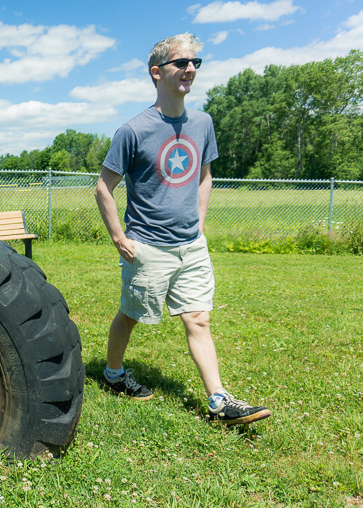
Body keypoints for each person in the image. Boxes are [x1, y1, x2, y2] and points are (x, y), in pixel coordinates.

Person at [94, 33, 270, 425]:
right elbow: (103, 187)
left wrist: (199, 225)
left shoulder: (203, 123)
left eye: (195, 62)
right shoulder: (133, 130)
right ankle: (113, 374)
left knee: (198, 319)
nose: (190, 69)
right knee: (131, 314)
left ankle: (219, 400)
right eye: (181, 63)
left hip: (192, 246)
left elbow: (205, 177)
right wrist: (119, 238)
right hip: (148, 247)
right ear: (157, 73)